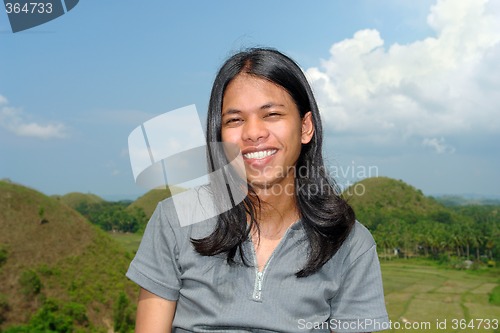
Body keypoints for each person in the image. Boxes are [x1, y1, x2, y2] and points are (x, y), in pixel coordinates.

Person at [126, 48, 390, 333]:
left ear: (305, 127)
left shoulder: (351, 244)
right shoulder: (175, 220)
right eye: (235, 120)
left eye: (272, 114)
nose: (253, 133)